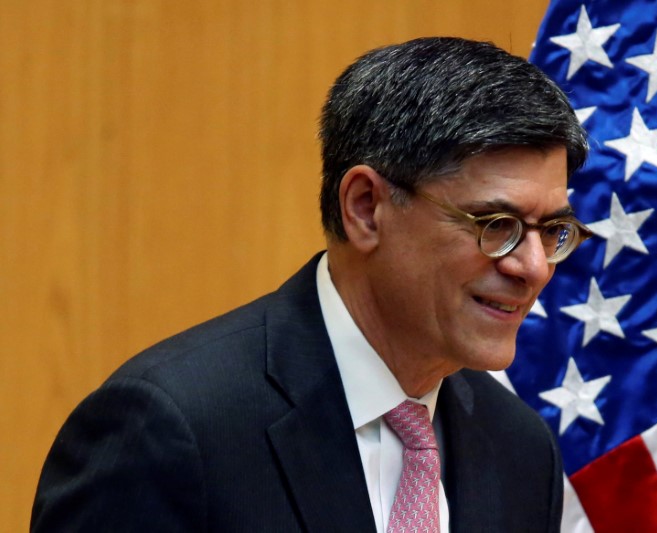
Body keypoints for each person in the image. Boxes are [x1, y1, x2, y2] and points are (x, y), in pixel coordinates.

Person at [31, 36, 590, 532]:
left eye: (553, 230)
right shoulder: (171, 429)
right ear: (366, 208)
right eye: (498, 226)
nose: (535, 266)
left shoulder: (519, 447)